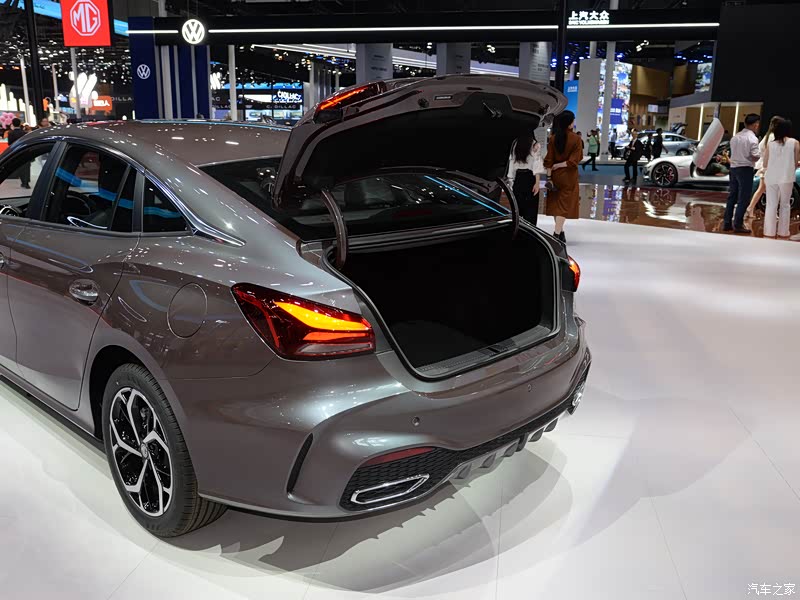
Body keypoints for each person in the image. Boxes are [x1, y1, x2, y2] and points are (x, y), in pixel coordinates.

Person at [544, 110, 582, 244]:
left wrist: (549, 178)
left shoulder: (553, 138)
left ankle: (561, 233)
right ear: (569, 123)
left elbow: (548, 160)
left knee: (556, 205)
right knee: (563, 206)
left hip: (555, 177)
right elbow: (573, 161)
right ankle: (556, 235)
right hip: (568, 177)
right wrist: (559, 165)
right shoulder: (576, 139)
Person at [723, 113, 761, 233]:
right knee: (743, 198)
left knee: (732, 196)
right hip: (745, 169)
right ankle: (738, 224)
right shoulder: (752, 138)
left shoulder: (735, 137)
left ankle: (727, 223)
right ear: (756, 125)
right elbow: (756, 156)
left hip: (733, 168)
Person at [762, 118, 799, 238]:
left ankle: (769, 232)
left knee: (771, 205)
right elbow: (795, 162)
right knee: (785, 204)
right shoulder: (795, 143)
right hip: (787, 177)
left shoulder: (770, 144)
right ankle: (783, 232)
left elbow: (765, 164)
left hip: (771, 177)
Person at [745, 115, 781, 218]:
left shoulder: (768, 136)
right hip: (768, 167)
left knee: (763, 189)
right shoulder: (773, 137)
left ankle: (751, 208)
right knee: (771, 190)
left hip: (765, 166)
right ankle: (770, 212)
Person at [507, 132, 544, 226]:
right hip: (530, 178)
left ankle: (518, 230)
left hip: (518, 178)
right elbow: (537, 164)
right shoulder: (535, 144)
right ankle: (530, 231)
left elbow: (511, 161)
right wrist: (537, 183)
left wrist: (510, 180)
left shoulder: (515, 143)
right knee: (531, 210)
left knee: (518, 209)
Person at [7, 118, 30, 188]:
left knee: (19, 166)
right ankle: (26, 182)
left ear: (12, 124)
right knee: (26, 167)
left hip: (16, 152)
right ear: (20, 124)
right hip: (24, 151)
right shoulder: (25, 133)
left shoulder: (10, 133)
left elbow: (9, 143)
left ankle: (23, 181)